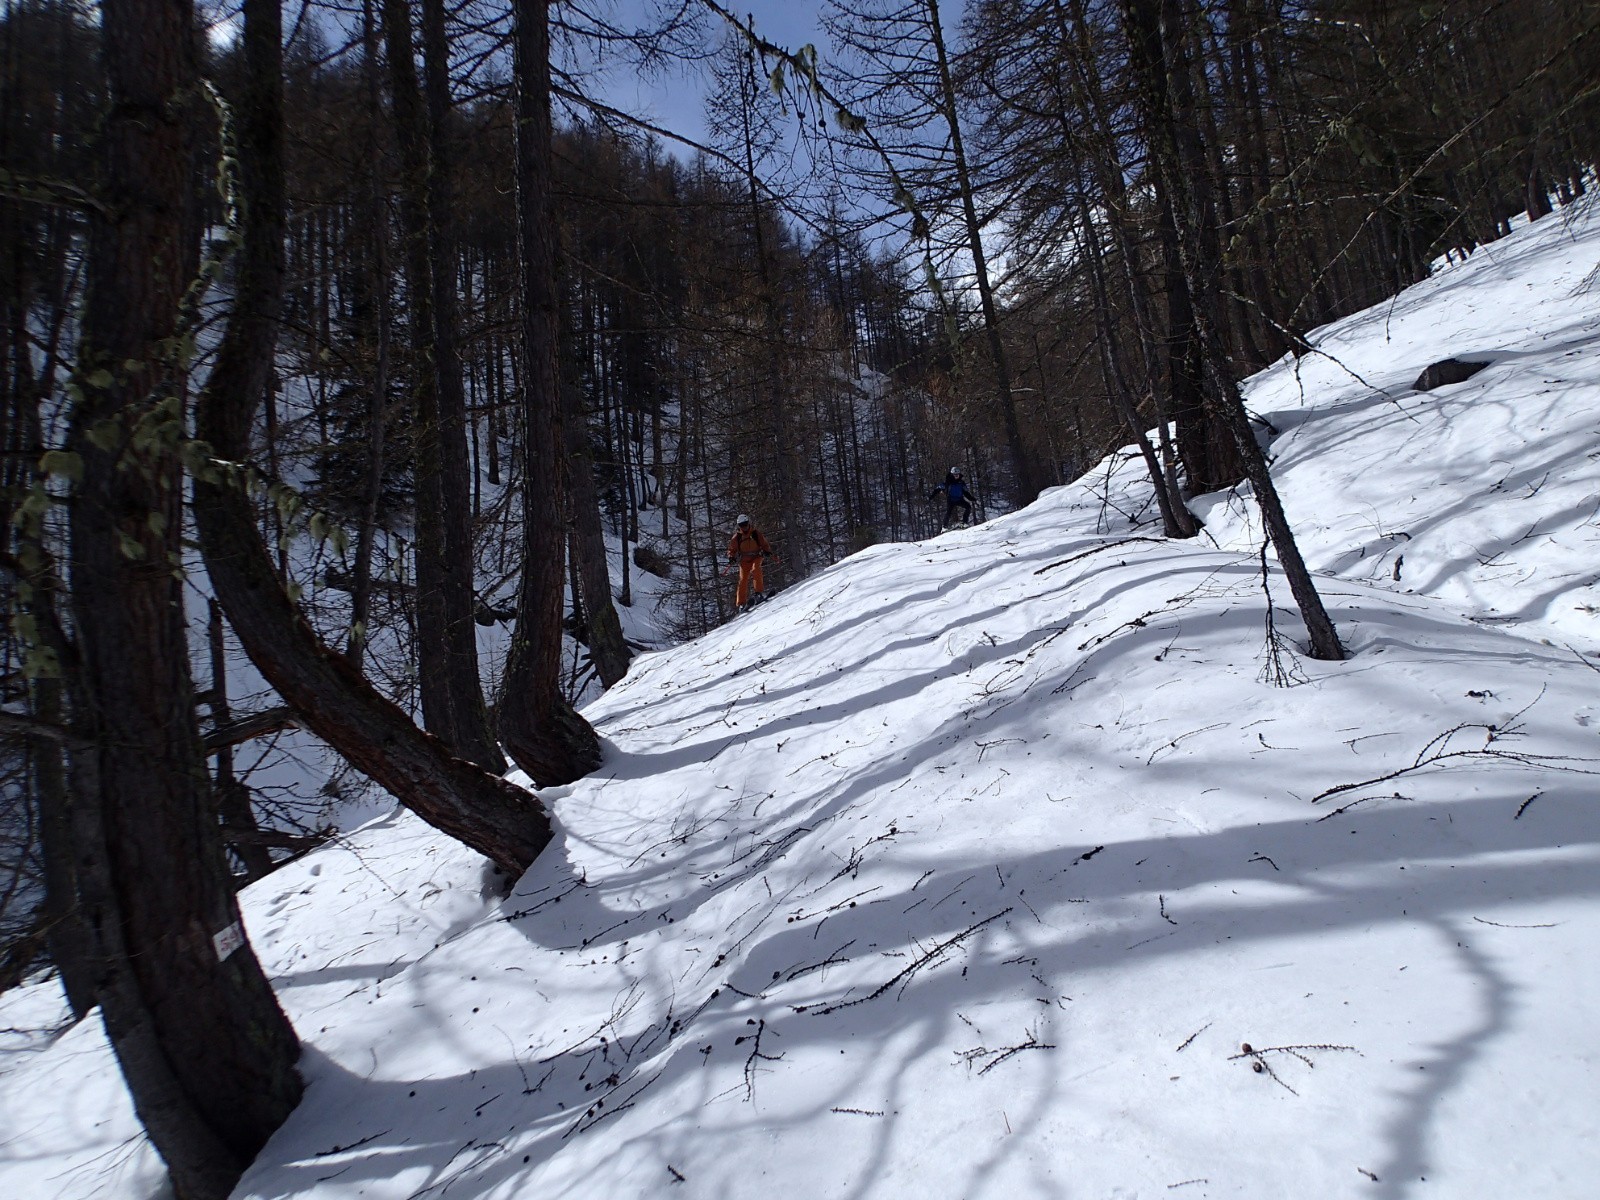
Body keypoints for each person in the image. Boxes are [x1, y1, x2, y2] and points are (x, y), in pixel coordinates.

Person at [726, 514, 773, 610]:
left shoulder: (755, 533)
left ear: (748, 523)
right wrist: (731, 557)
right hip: (744, 560)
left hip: (756, 557)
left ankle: (758, 593)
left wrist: (767, 550)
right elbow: (731, 549)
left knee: (756, 570)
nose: (744, 527)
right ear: (739, 526)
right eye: (742, 525)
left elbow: (763, 543)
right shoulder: (737, 537)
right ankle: (741, 603)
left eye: (745, 524)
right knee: (743, 579)